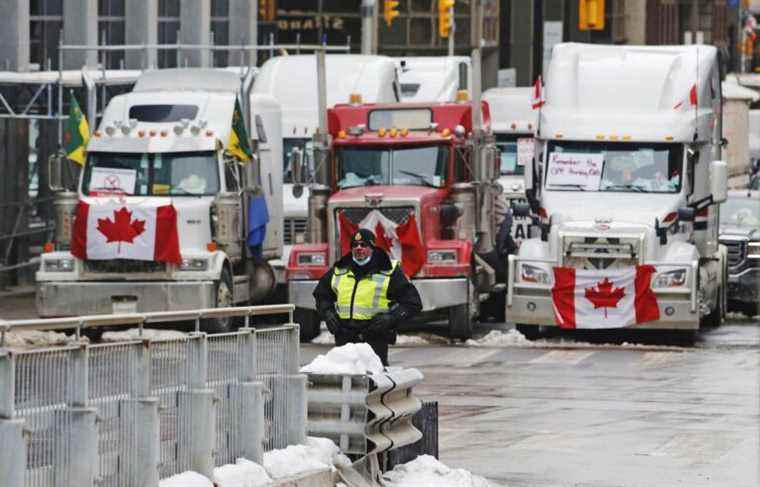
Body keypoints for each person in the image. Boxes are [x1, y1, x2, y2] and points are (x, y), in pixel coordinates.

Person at [313, 228, 422, 366]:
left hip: (374, 339)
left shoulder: (388, 271)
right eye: (355, 245)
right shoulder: (339, 270)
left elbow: (413, 303)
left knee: (373, 383)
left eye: (364, 245)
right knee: (344, 382)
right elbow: (321, 295)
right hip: (344, 339)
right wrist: (328, 313)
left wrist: (391, 318)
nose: (359, 248)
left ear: (373, 248)